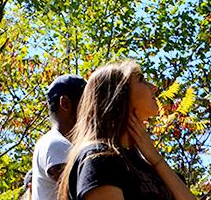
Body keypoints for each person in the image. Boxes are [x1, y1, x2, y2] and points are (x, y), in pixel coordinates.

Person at [57, 61, 196, 200]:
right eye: (141, 80)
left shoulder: (149, 165)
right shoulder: (100, 158)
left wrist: (156, 159)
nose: (154, 87)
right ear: (118, 94)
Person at [30, 75, 87, 200]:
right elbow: (81, 191)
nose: (91, 109)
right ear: (65, 103)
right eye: (86, 102)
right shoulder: (56, 144)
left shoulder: (51, 142)